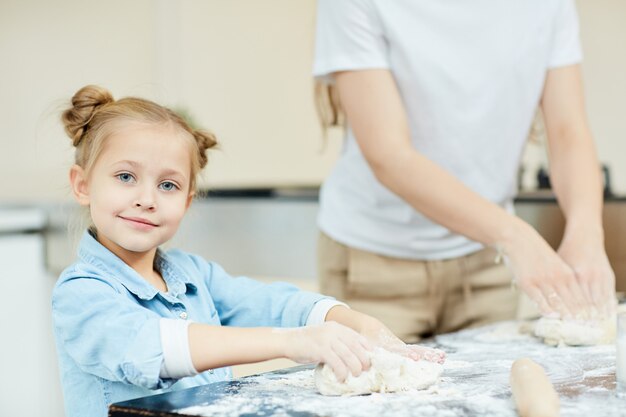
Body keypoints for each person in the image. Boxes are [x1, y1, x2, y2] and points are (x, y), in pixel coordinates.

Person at [52, 85, 445, 417]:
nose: (146, 199)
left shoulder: (192, 276)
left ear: (187, 202)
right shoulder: (81, 293)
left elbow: (270, 302)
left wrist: (353, 321)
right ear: (83, 184)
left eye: (168, 185)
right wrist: (291, 342)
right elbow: (153, 348)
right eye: (126, 177)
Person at [312, 0, 616, 343]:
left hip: (487, 266)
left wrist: (587, 233)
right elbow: (390, 155)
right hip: (374, 266)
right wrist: (516, 237)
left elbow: (568, 133)